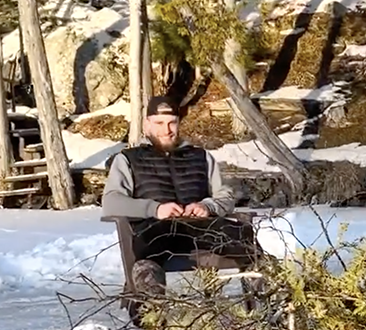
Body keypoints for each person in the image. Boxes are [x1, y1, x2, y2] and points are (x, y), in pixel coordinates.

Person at [101, 95, 257, 315]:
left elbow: (226, 195)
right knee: (147, 256)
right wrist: (154, 209)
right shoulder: (127, 159)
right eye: (159, 123)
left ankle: (272, 307)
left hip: (201, 229)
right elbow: (111, 202)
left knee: (244, 236)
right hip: (156, 231)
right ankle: (152, 319)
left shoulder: (201, 157)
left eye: (172, 122)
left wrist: (208, 206)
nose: (167, 130)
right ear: (147, 124)